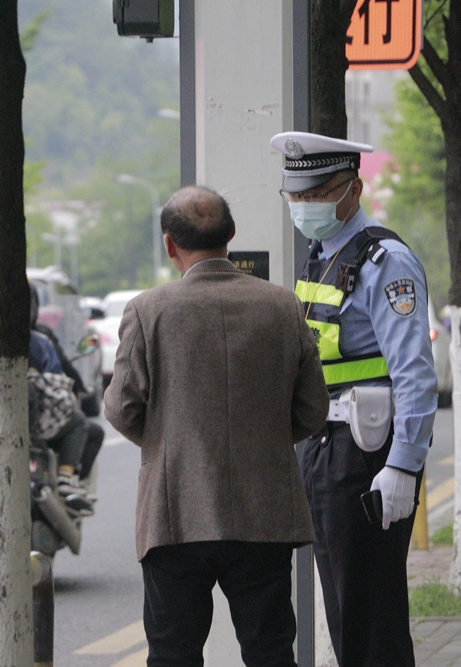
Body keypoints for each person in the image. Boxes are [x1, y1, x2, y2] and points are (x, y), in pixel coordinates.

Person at [104, 186, 329, 667]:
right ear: (230, 234)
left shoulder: (148, 311)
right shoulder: (282, 306)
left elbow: (122, 409)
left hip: (176, 513)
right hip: (263, 513)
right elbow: (313, 410)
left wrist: (171, 442)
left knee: (173, 653)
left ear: (170, 245)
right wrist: (262, 437)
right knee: (270, 651)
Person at [270, 131, 437, 667]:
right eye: (294, 196)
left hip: (366, 454)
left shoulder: (385, 262)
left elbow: (414, 372)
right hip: (324, 448)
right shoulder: (322, 256)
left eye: (315, 194)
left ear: (352, 190)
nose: (303, 206)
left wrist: (403, 467)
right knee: (345, 608)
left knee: (371, 615)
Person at [27, 283, 102, 515]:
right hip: (38, 424)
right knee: (82, 423)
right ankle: (67, 482)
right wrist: (77, 385)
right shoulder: (39, 340)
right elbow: (59, 373)